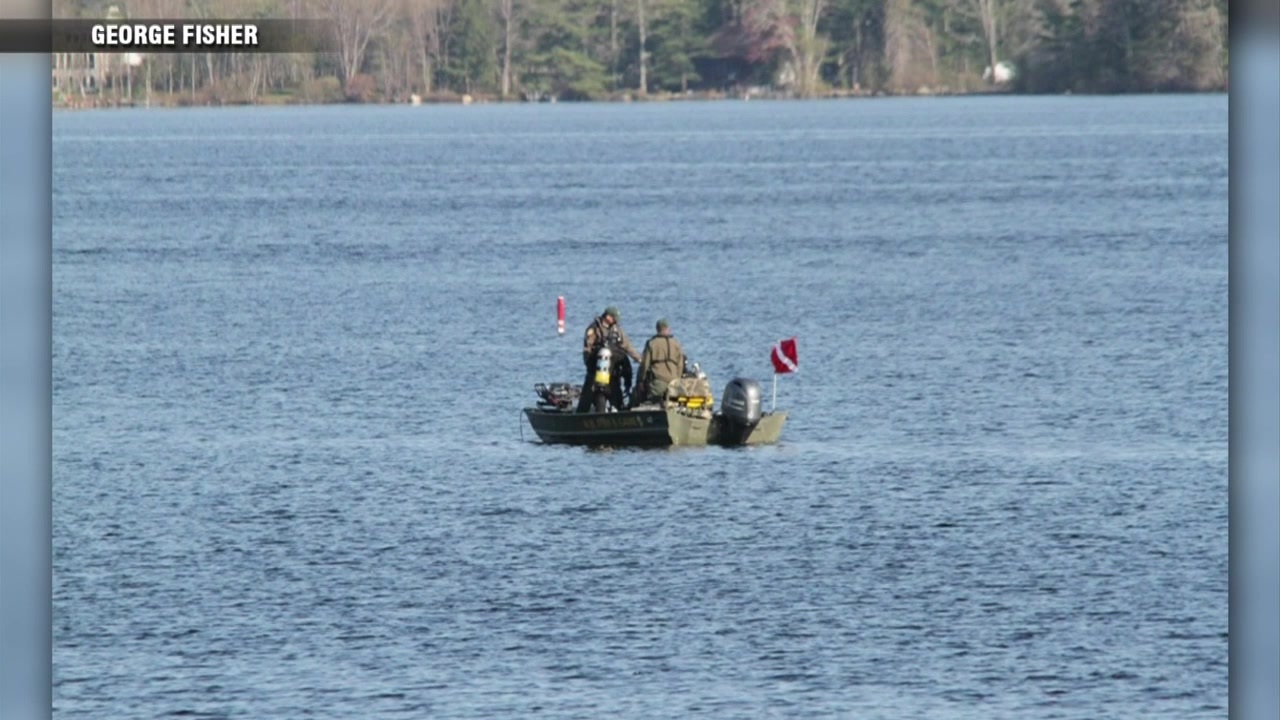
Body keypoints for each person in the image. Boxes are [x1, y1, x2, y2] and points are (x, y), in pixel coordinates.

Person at [576, 306, 640, 413]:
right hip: (596, 370)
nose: (615, 321)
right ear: (608, 317)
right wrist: (590, 366)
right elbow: (587, 350)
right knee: (588, 398)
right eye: (614, 318)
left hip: (613, 370)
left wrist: (639, 358)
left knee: (616, 396)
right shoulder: (594, 329)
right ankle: (582, 416)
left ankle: (618, 411)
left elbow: (627, 346)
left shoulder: (616, 329)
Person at [635, 318, 686, 405]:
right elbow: (680, 365)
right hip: (674, 383)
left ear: (657, 329)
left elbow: (645, 365)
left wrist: (640, 381)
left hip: (657, 384)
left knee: (651, 401)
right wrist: (677, 379)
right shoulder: (676, 344)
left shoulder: (651, 343)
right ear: (668, 329)